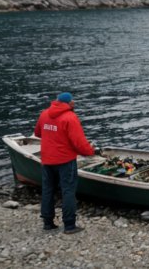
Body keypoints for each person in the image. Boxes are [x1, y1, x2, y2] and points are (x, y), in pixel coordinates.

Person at [33, 92, 96, 234]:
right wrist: (90, 152)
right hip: (65, 161)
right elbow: (79, 143)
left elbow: (37, 133)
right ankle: (69, 225)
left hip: (47, 160)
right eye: (73, 101)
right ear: (69, 103)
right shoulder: (70, 117)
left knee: (48, 189)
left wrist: (52, 134)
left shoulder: (44, 114)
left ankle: (48, 223)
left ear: (56, 101)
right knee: (68, 190)